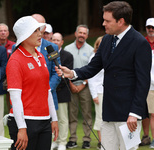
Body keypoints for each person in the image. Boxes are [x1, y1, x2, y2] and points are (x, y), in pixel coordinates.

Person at [55, 1, 152, 150]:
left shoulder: (140, 43)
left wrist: (134, 113)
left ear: (121, 21)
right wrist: (73, 73)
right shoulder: (106, 40)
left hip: (129, 114)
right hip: (108, 109)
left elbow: (143, 81)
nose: (103, 23)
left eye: (107, 21)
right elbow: (93, 67)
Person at [6, 16, 58, 150]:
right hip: (26, 121)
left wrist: (54, 118)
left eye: (38, 30)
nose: (40, 33)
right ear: (25, 35)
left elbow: (47, 91)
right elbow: (15, 98)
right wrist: (22, 128)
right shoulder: (15, 61)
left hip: (44, 121)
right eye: (35, 31)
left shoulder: (41, 56)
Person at [64, 24, 93, 149]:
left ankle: (86, 139)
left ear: (87, 35)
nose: (82, 35)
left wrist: (83, 84)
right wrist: (71, 84)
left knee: (87, 114)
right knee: (72, 114)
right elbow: (65, 68)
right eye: (80, 32)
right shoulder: (67, 49)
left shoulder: (91, 50)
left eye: (84, 33)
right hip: (70, 86)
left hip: (85, 86)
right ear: (76, 34)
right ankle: (73, 139)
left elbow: (92, 70)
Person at [32, 13, 61, 110]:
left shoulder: (52, 48)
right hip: (27, 98)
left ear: (44, 28)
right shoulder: (19, 46)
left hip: (48, 98)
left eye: (40, 26)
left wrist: (46, 90)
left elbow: (56, 72)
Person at [51, 32, 73, 150]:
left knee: (63, 119)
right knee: (52, 118)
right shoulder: (48, 54)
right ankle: (54, 140)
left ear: (62, 42)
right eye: (53, 40)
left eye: (57, 40)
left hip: (62, 91)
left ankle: (62, 142)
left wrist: (54, 86)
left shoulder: (68, 56)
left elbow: (66, 75)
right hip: (50, 92)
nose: (55, 42)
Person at [140, 18, 154, 148]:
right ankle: (145, 137)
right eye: (149, 27)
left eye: (153, 28)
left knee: (153, 112)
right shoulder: (142, 43)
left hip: (153, 84)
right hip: (143, 83)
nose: (151, 30)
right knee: (144, 112)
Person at [88, 36, 103, 149]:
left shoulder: (109, 56)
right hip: (99, 92)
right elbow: (91, 78)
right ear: (97, 45)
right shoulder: (94, 57)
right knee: (100, 118)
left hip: (109, 92)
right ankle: (101, 142)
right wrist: (94, 95)